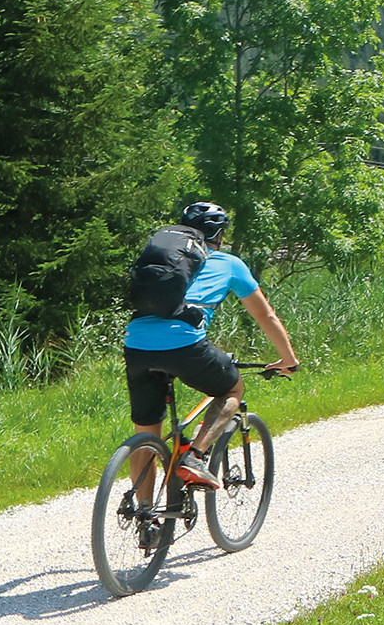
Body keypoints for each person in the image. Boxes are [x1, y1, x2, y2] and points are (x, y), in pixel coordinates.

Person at [122, 201, 299, 494]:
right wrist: (287, 358)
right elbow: (264, 315)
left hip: (136, 344)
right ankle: (195, 455)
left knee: (146, 433)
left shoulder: (169, 259)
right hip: (184, 345)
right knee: (231, 389)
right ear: (218, 233)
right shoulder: (229, 264)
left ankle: (144, 516)